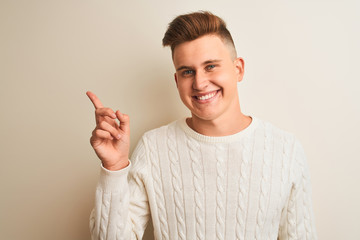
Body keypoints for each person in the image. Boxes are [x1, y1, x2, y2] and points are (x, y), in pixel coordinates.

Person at [87, 11, 317, 240]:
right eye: (187, 72)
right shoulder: (154, 147)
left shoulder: (286, 150)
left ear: (238, 69)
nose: (199, 83)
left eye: (210, 67)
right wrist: (114, 167)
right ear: (177, 81)